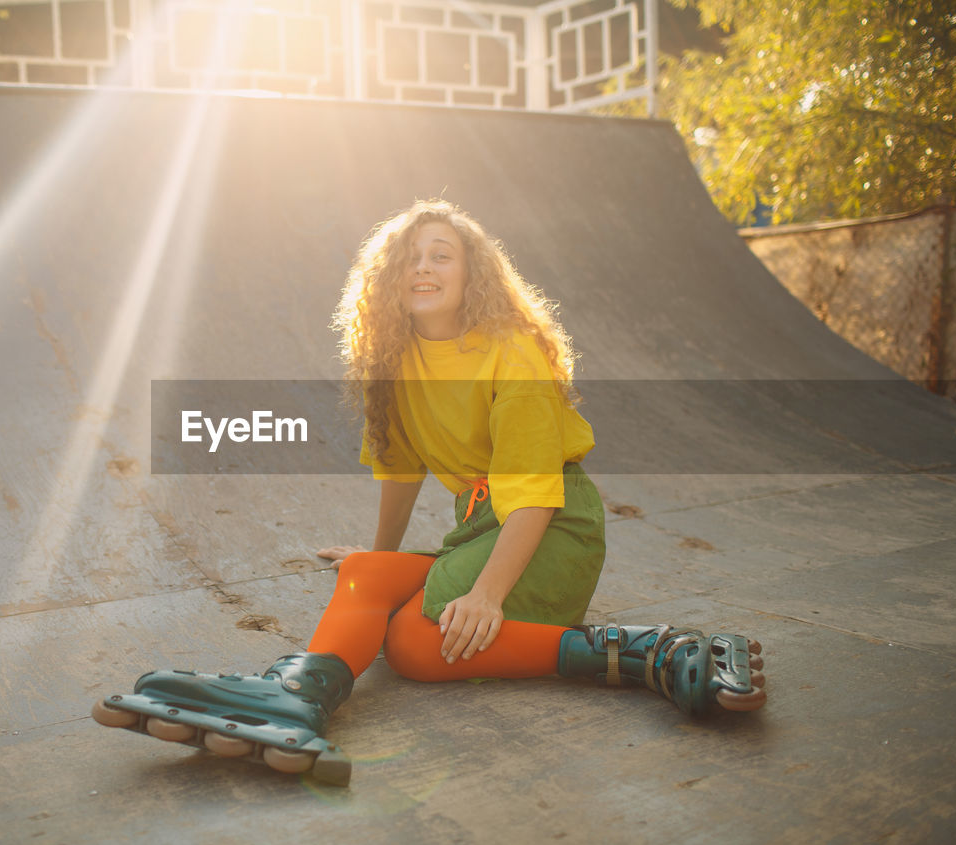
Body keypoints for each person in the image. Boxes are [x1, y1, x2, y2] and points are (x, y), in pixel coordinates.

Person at [93, 200, 767, 786]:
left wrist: (488, 593)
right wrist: (380, 559)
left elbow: (534, 494)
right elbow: (399, 469)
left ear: (471, 272)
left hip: (553, 527)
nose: (422, 267)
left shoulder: (512, 351)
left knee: (415, 644)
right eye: (408, 258)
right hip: (479, 528)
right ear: (388, 279)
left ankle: (643, 651)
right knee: (361, 575)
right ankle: (294, 696)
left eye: (440, 255)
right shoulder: (395, 361)